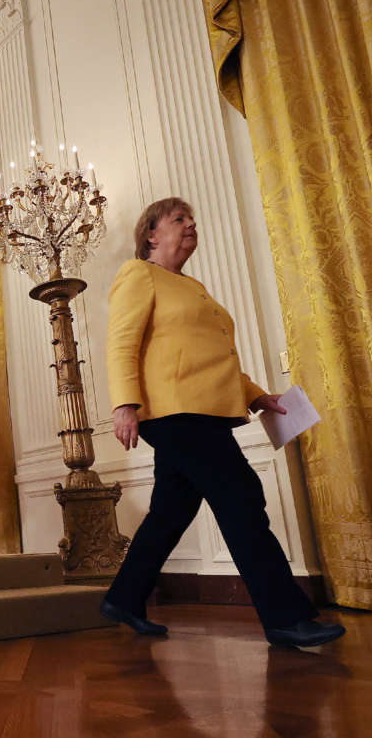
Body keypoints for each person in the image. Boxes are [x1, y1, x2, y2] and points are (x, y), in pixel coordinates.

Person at [101, 197, 345, 648]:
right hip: (176, 413)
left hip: (204, 412)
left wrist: (258, 396)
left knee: (172, 511)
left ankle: (124, 597)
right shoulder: (139, 274)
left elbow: (216, 356)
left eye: (193, 219)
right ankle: (286, 617)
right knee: (242, 500)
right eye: (179, 219)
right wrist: (124, 404)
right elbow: (120, 342)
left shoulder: (192, 287)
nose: (191, 224)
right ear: (151, 235)